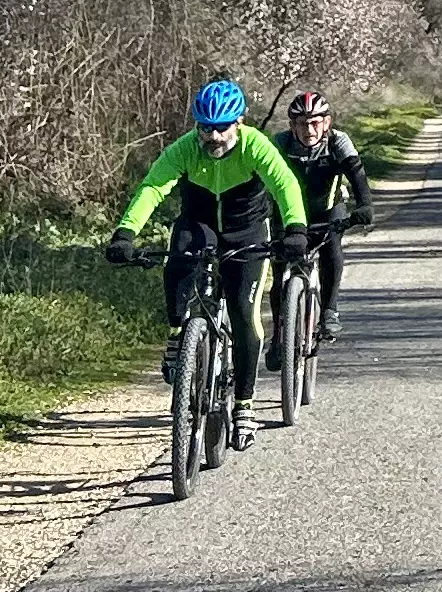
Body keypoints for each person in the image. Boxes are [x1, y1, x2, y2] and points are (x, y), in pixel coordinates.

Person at [107, 79, 307, 395]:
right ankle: (177, 333)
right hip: (199, 225)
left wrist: (296, 228)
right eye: (205, 127)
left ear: (239, 122)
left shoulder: (255, 145)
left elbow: (285, 185)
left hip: (246, 232)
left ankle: (244, 402)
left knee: (244, 313)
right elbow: (153, 188)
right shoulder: (186, 148)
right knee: (179, 257)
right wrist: (125, 233)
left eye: (222, 127)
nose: (213, 136)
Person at [278, 89, 374, 342]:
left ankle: (329, 311)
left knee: (332, 249)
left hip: (328, 209)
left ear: (327, 123)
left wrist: (364, 205)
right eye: (301, 124)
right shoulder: (280, 144)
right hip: (288, 213)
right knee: (279, 268)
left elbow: (357, 175)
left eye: (315, 123)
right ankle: (279, 335)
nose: (308, 130)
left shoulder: (338, 142)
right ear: (292, 125)